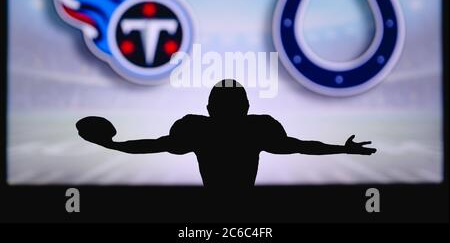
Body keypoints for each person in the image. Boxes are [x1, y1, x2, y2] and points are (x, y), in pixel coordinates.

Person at [76, 79, 376, 188]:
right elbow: (300, 146)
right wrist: (343, 149)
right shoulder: (257, 128)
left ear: (208, 107)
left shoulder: (197, 128)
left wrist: (112, 144)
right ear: (247, 106)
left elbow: (152, 145)